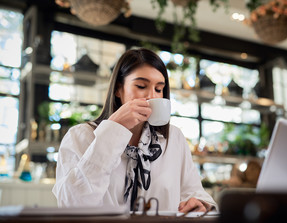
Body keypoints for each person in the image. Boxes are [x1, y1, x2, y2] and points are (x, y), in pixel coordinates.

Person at [52, 48, 217, 213]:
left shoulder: (173, 138)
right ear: (118, 89)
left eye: (159, 89)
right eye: (141, 86)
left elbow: (193, 192)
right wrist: (113, 129)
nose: (152, 96)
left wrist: (199, 204)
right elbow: (71, 205)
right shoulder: (81, 136)